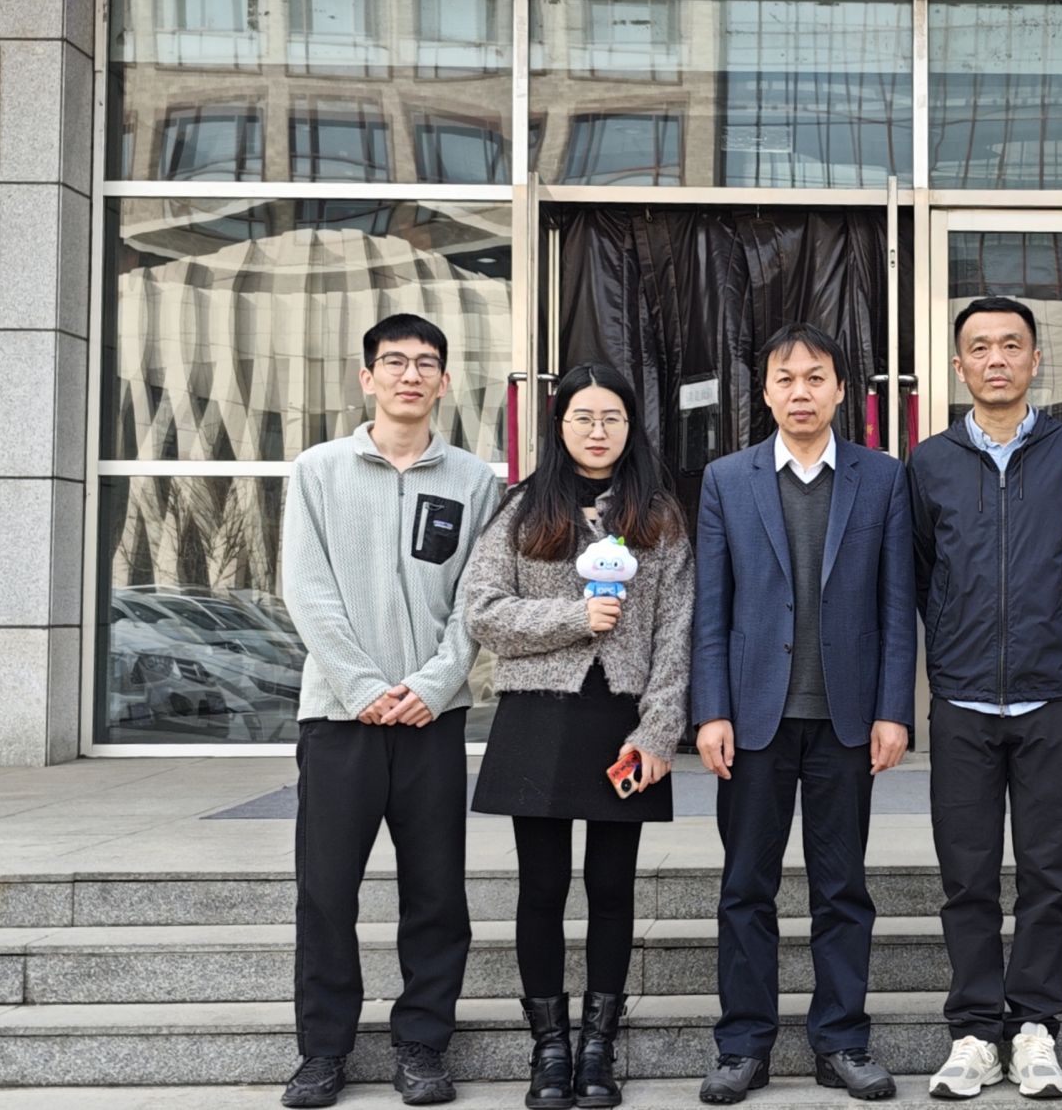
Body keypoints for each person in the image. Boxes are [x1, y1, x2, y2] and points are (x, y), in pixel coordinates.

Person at [278, 314, 504, 1110]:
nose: (411, 375)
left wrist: (434, 686)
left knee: (436, 891)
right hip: (338, 719)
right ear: (367, 376)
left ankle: (423, 1044)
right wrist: (362, 685)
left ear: (445, 381)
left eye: (426, 363)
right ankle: (322, 1051)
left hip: (430, 721)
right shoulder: (318, 470)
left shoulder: (475, 481)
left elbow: (476, 600)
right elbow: (306, 589)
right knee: (326, 891)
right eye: (395, 362)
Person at [690, 322, 917, 1105]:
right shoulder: (727, 479)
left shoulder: (882, 478)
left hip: (846, 719)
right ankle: (742, 1046)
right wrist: (710, 710)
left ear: (841, 389)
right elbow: (711, 607)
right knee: (745, 888)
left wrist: (894, 709)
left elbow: (896, 604)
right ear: (765, 392)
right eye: (785, 379)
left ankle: (842, 1040)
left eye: (816, 377)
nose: (800, 392)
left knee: (842, 889)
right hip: (753, 720)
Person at [465, 363, 693, 1110]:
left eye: (611, 418)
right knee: (541, 886)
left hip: (622, 718)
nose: (598, 431)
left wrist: (659, 728)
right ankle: (550, 1047)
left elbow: (677, 630)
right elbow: (482, 610)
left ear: (632, 427)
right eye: (583, 418)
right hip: (538, 714)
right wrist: (573, 617)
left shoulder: (657, 515)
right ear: (559, 425)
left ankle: (599, 1045)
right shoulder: (523, 508)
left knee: (612, 886)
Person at [908, 296, 1062, 1100]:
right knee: (965, 877)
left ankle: (1033, 1029)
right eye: (979, 347)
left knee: (1047, 874)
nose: (995, 358)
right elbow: (921, 574)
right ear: (958, 365)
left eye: (1011, 345)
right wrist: (956, 641)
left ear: (1035, 360)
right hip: (963, 700)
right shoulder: (929, 462)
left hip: (1049, 698)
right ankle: (972, 1031)